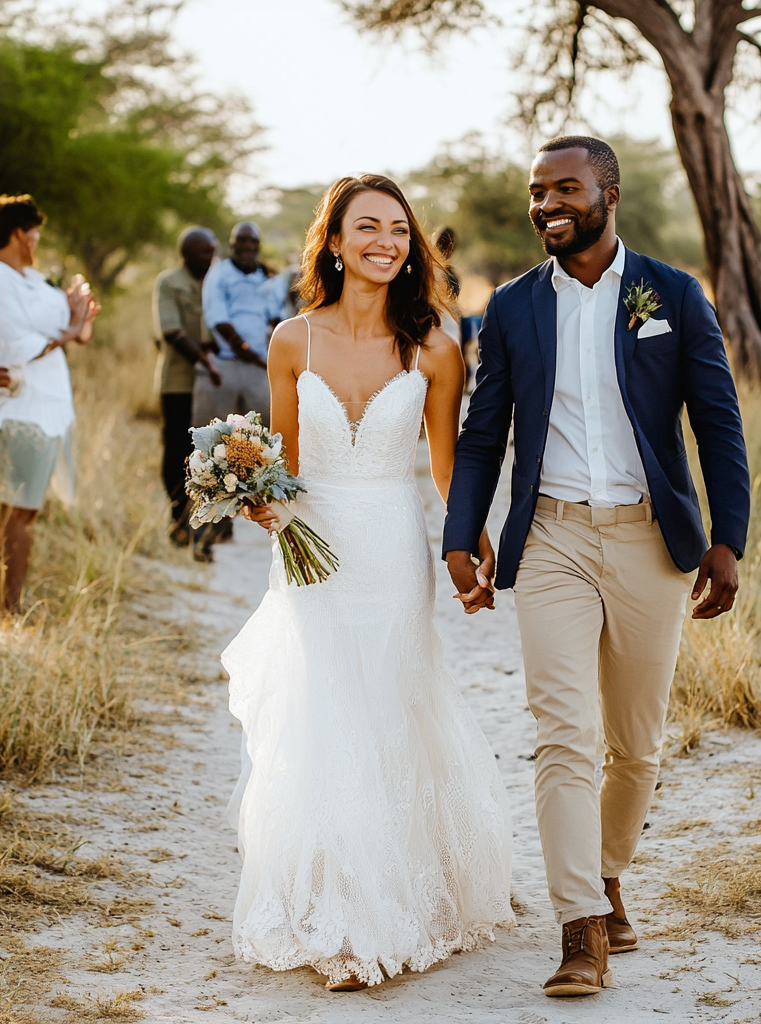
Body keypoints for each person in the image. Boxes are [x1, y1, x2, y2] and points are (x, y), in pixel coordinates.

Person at [443, 137, 750, 998]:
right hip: (553, 542)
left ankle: (609, 872)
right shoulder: (509, 309)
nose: (547, 204)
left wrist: (729, 539)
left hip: (653, 538)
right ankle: (580, 925)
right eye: (536, 192)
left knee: (637, 746)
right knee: (562, 736)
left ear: (608, 195)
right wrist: (461, 534)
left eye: (565, 189)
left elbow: (717, 423)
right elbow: (483, 432)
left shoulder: (673, 296)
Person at [229, 174, 513, 989]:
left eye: (397, 229)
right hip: (311, 551)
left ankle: (385, 910)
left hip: (391, 549)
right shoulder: (293, 340)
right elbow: (280, 464)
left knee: (386, 704)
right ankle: (336, 904)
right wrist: (254, 499)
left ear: (410, 243)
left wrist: (470, 540)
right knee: (326, 713)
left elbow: (446, 462)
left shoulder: (435, 346)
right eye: (367, 227)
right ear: (336, 240)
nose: (384, 241)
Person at [0, 195, 99, 613]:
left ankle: (1, 608)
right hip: (20, 411)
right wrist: (69, 328)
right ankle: (7, 613)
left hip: (47, 411)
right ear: (18, 233)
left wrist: (79, 317)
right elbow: (22, 348)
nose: (37, 239)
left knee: (17, 513)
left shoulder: (32, 282)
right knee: (19, 515)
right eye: (34, 232)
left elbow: (75, 332)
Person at [195, 222, 275, 560]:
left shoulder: (265, 277)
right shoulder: (219, 274)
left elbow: (276, 316)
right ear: (231, 244)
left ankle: (248, 518)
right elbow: (218, 319)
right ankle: (205, 533)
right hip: (228, 365)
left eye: (251, 241)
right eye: (239, 241)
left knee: (262, 447)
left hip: (261, 368)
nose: (245, 246)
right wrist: (247, 351)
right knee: (213, 449)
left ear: (257, 245)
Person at [152, 228, 220, 547]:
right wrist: (205, 362)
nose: (212, 257)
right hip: (178, 382)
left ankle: (209, 522)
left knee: (211, 451)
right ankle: (178, 515)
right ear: (188, 255)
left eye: (213, 251)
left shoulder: (218, 282)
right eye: (205, 252)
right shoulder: (169, 282)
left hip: (214, 383)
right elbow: (172, 332)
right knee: (176, 450)